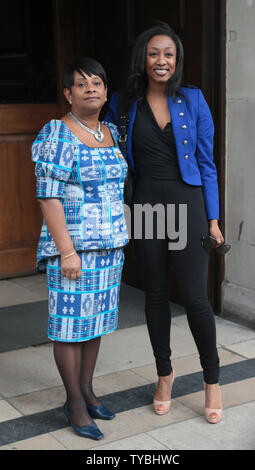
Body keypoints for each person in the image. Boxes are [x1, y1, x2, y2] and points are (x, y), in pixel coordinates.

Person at [105, 23, 223, 423]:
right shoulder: (122, 103)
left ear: (177, 60)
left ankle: (212, 381)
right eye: (154, 53)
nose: (161, 61)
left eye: (168, 54)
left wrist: (213, 219)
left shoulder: (192, 99)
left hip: (187, 203)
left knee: (194, 297)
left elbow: (207, 164)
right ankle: (164, 375)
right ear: (143, 58)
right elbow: (105, 151)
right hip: (148, 206)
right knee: (155, 295)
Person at [31, 57, 128, 439]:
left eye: (98, 83)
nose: (92, 89)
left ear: (106, 92)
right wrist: (67, 251)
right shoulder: (57, 133)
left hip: (108, 247)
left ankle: (87, 390)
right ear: (68, 94)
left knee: (94, 323)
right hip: (72, 250)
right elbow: (48, 196)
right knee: (70, 327)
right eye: (82, 84)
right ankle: (73, 401)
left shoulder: (109, 132)